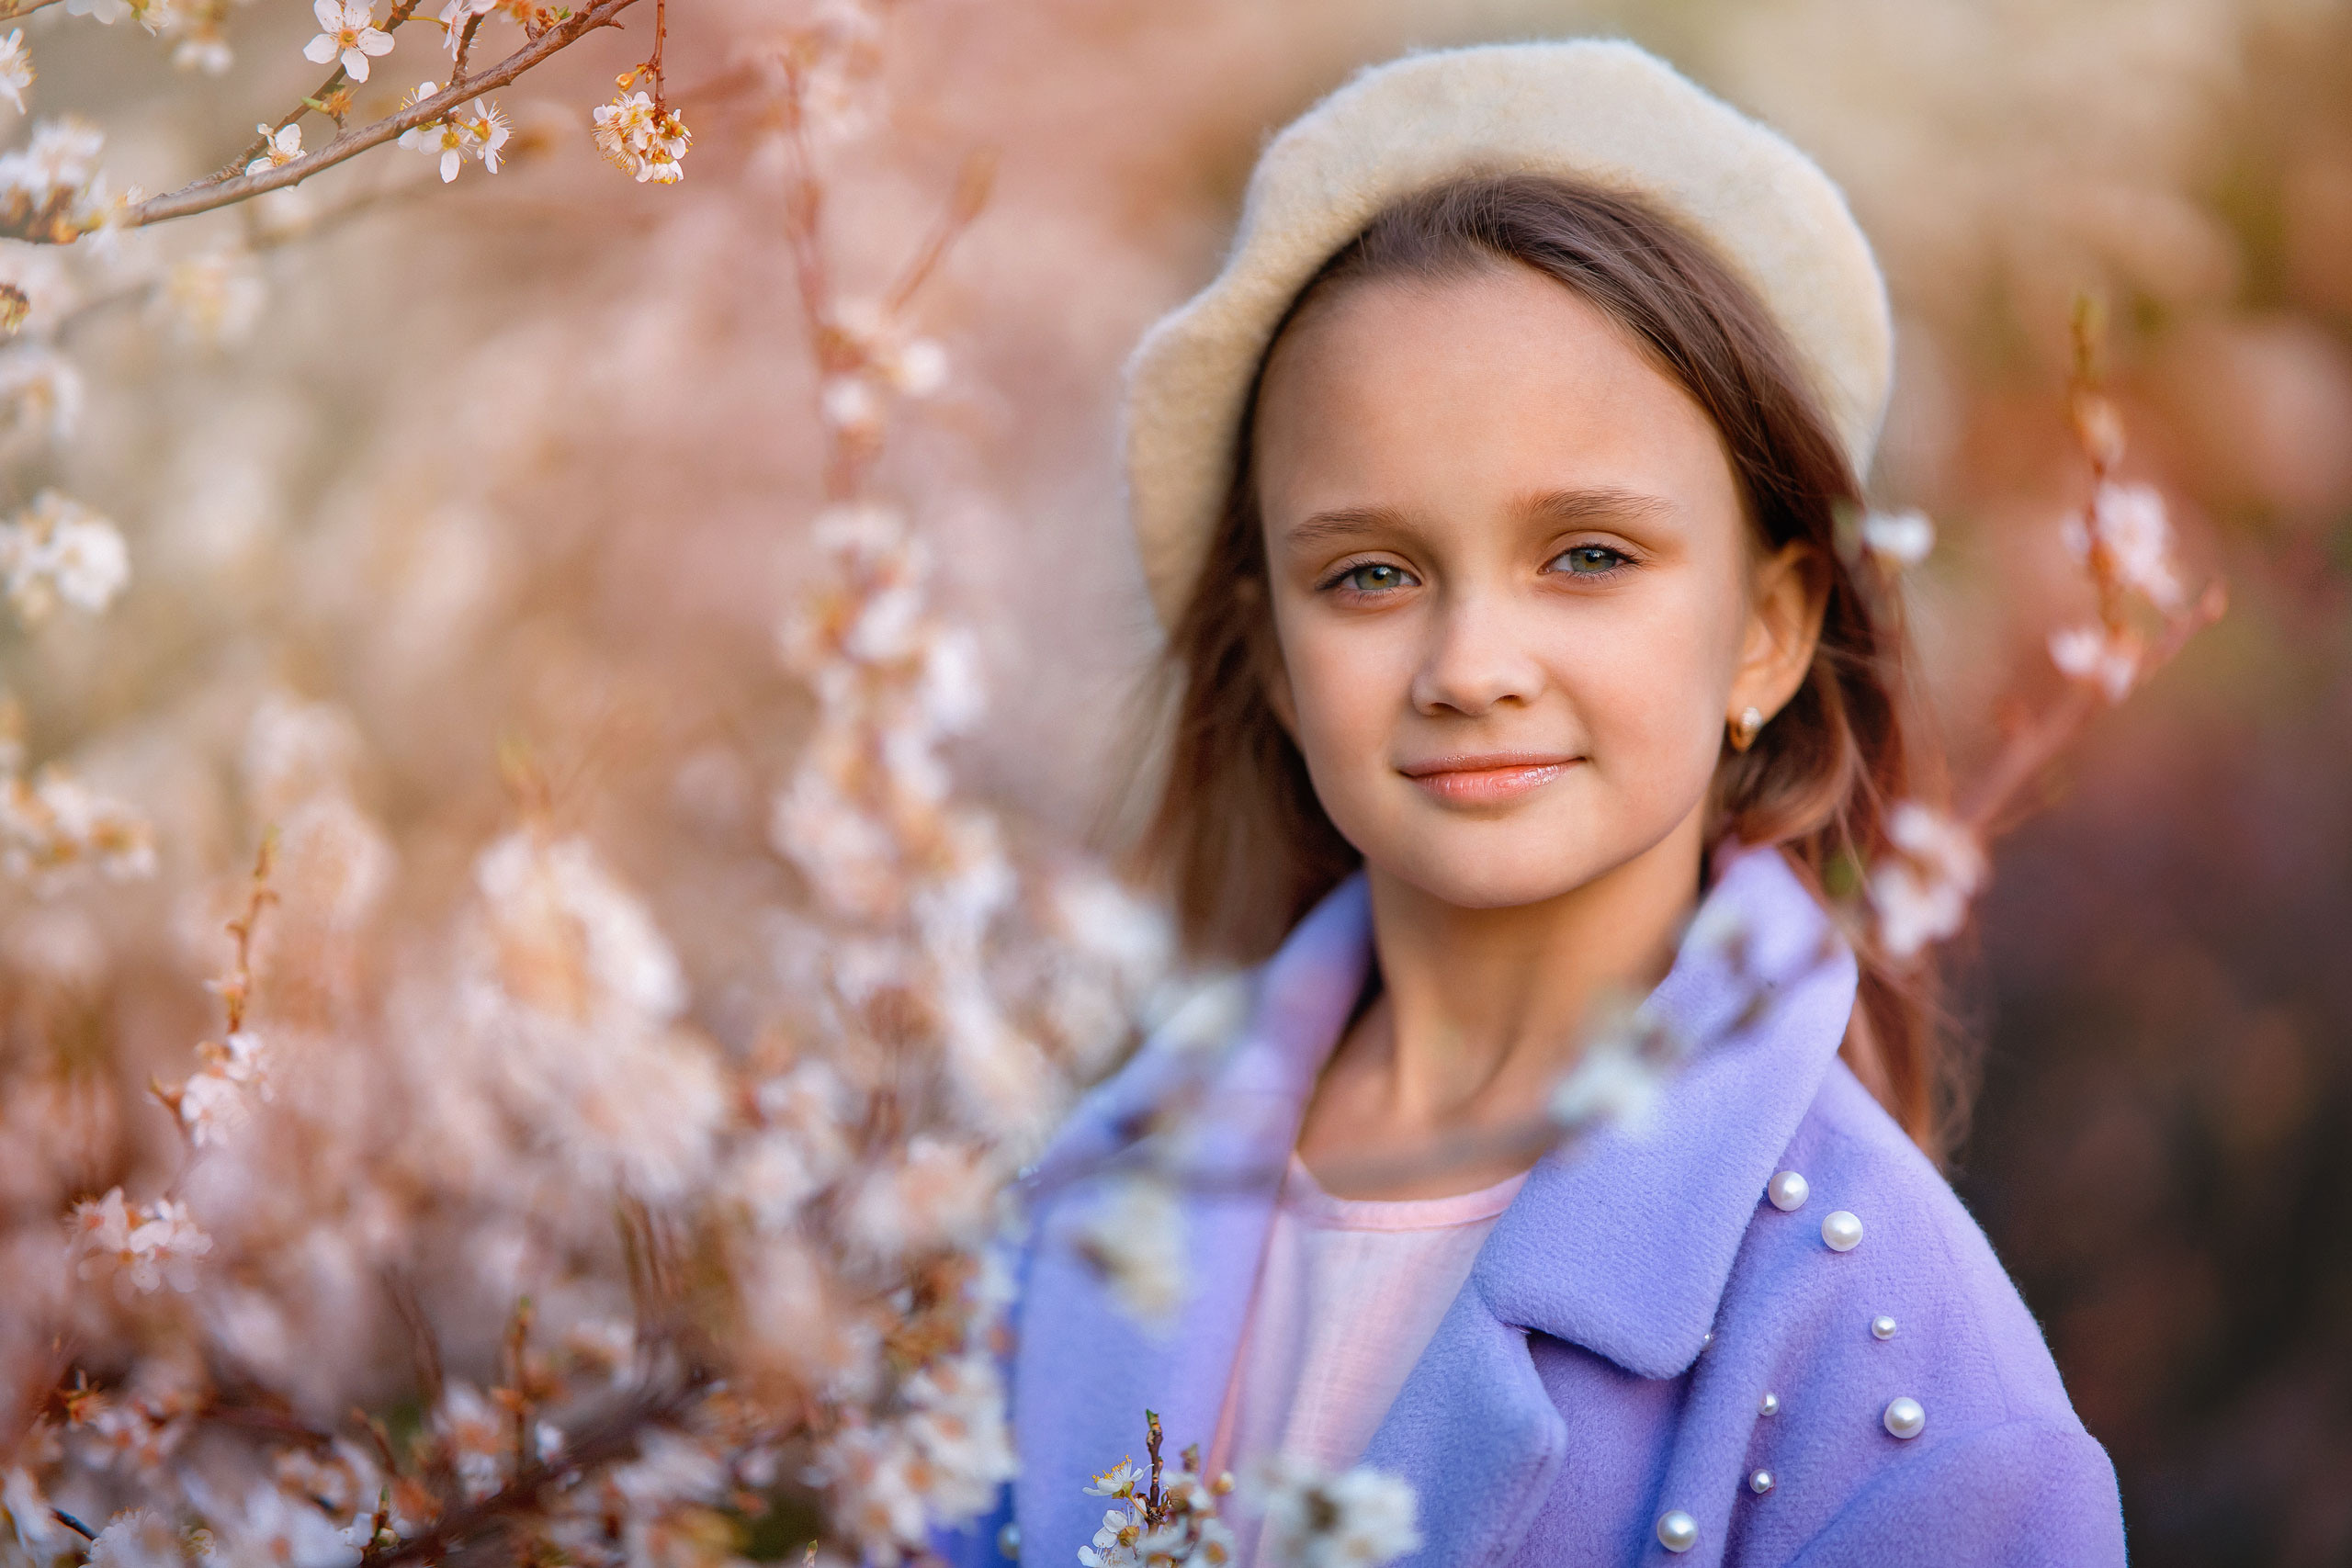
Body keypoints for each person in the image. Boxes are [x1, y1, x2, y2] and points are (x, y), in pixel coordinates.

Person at [948, 39, 2126, 1568]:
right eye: (1369, 574)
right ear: (1276, 654)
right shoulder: (1079, 1202)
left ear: (1767, 628)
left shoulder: (1897, 1367)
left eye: (1587, 555)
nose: (1470, 664)